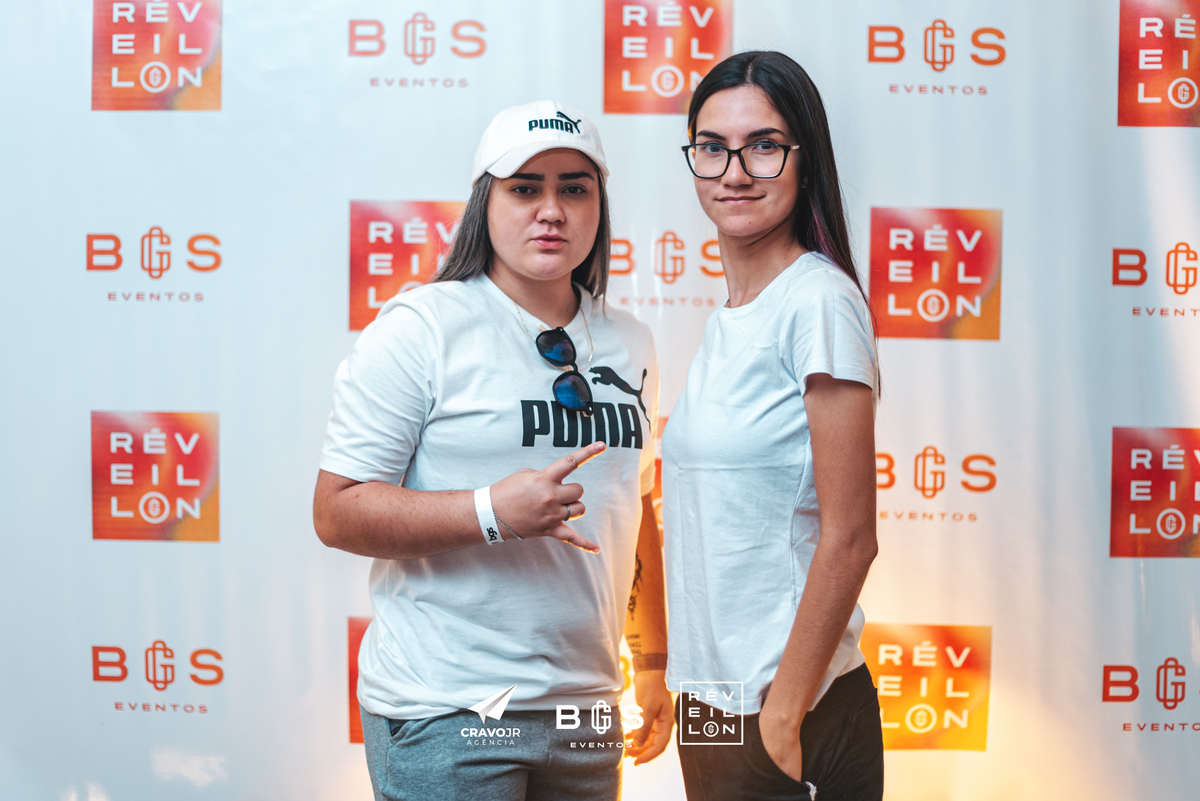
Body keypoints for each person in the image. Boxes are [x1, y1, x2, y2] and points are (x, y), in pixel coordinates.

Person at [313, 100, 672, 801]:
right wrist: (491, 511)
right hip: (450, 708)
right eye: (525, 188)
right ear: (485, 202)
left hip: (586, 709)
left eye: (575, 188)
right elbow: (337, 511)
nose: (552, 210)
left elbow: (636, 509)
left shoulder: (632, 340)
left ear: (599, 206)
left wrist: (653, 663)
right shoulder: (422, 328)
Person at [662, 52, 884, 800]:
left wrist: (782, 715)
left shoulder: (817, 301)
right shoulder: (731, 317)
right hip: (712, 706)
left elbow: (851, 535)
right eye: (713, 147)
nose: (735, 171)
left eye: (762, 145)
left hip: (787, 710)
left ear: (803, 157)